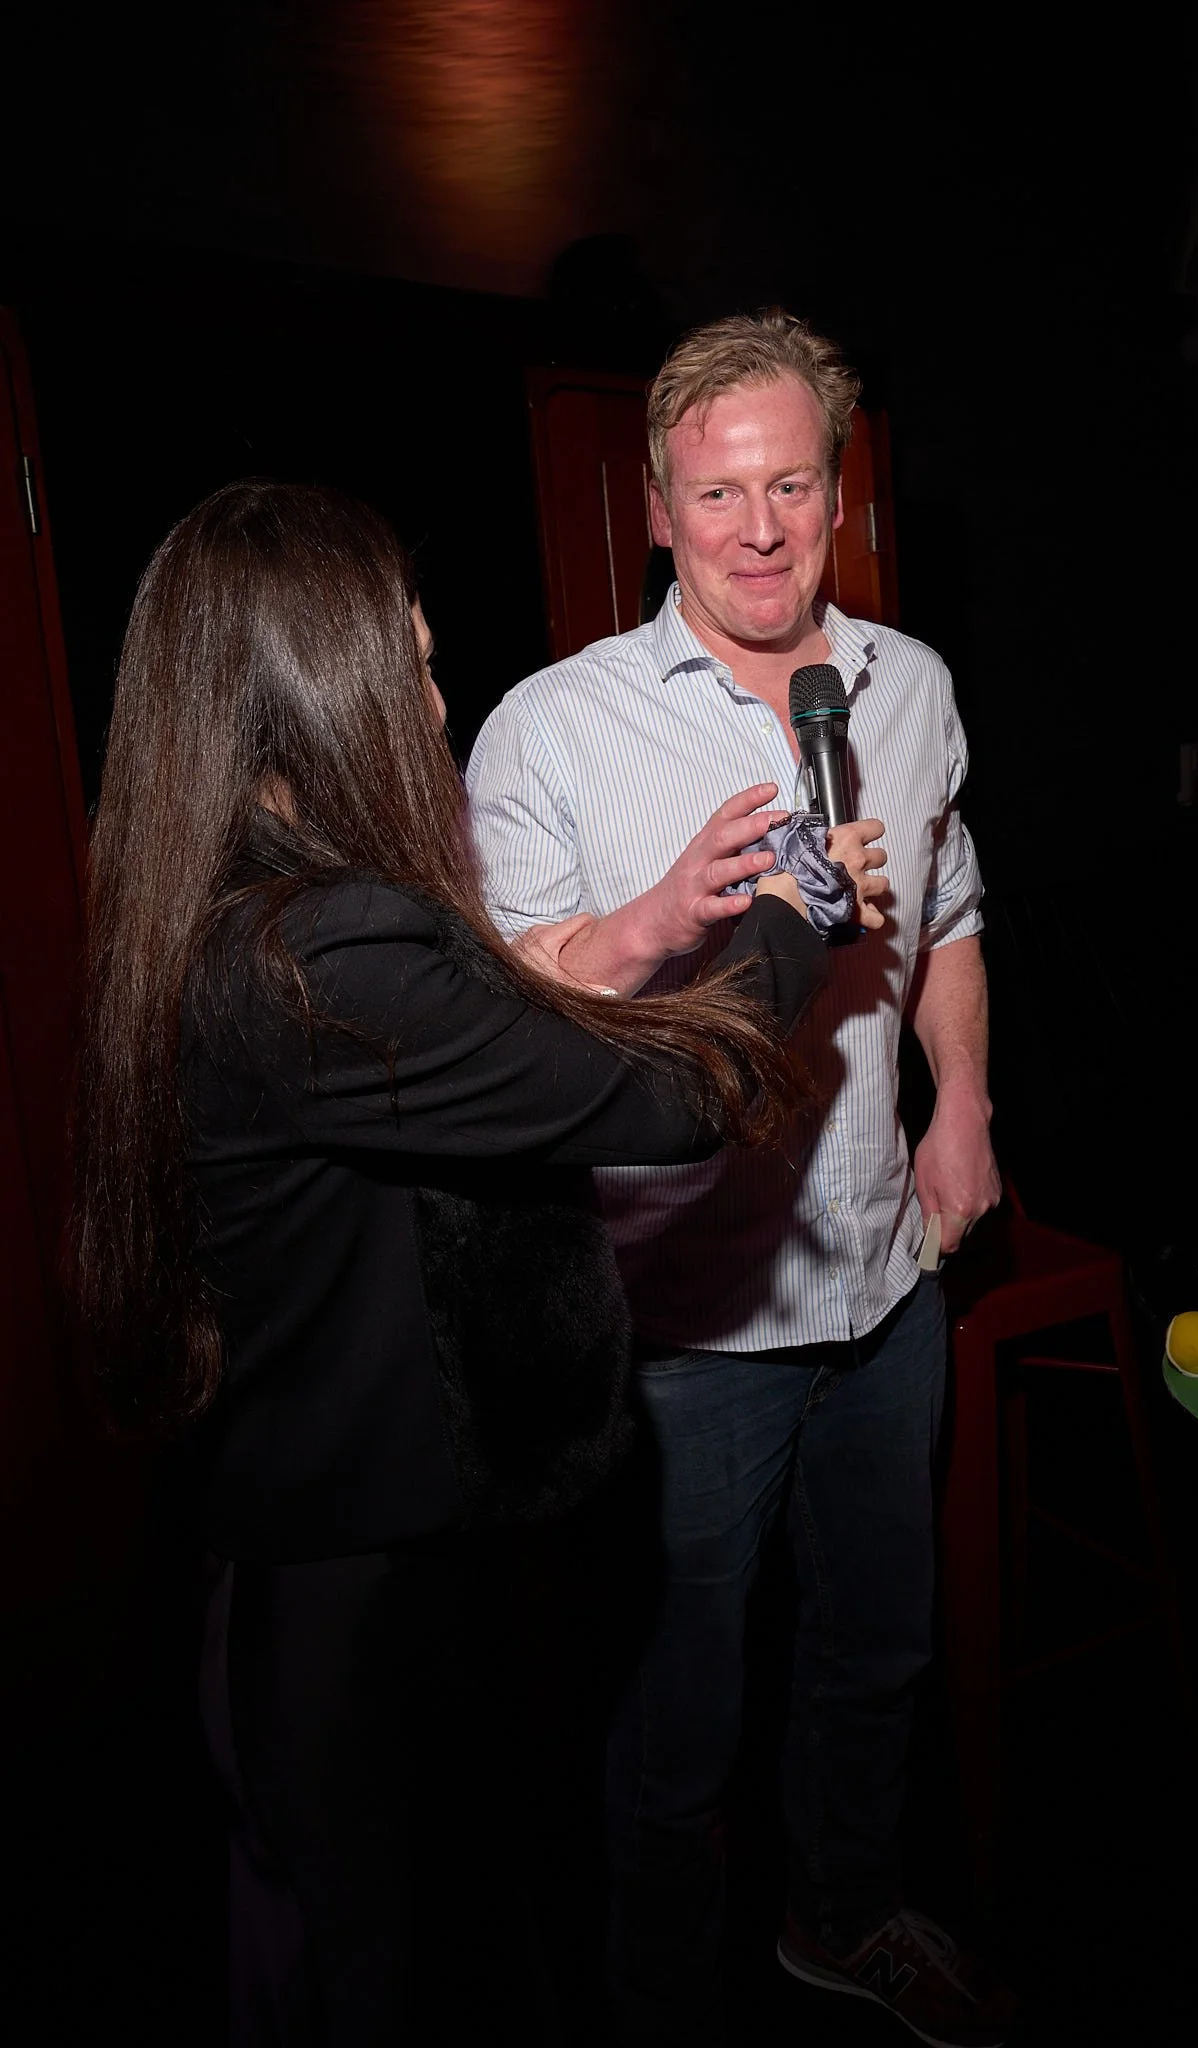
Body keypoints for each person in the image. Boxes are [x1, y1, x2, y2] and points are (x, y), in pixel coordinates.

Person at [68, 479, 887, 2046]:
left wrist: (648, 926)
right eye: (416, 668)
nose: (437, 705)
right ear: (319, 698)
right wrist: (798, 911)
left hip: (317, 1558)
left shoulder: (243, 912)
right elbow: (660, 1103)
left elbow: (484, 1030)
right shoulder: (318, 954)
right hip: (357, 1615)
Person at [467, 311, 1013, 2046]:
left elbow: (948, 912)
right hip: (686, 1318)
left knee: (877, 1656)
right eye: (717, 493)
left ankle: (839, 1919)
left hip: (884, 1280)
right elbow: (495, 1014)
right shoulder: (554, 728)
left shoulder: (909, 685)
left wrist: (960, 1103)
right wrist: (654, 926)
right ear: (655, 507)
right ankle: (659, 1995)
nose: (758, 530)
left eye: (790, 487)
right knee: (673, 1711)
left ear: (837, 495)